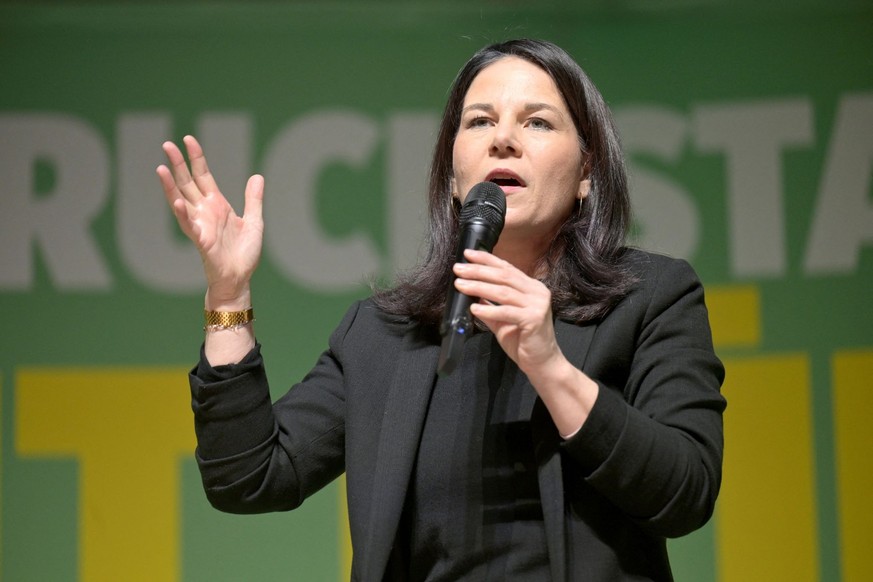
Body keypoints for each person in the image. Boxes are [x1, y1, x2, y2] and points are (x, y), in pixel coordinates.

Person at [157, 39, 726, 581]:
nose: (503, 139)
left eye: (537, 122)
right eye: (480, 121)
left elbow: (686, 492)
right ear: (453, 177)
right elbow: (247, 477)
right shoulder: (383, 335)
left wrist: (549, 366)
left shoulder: (649, 297)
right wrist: (228, 295)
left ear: (585, 173)